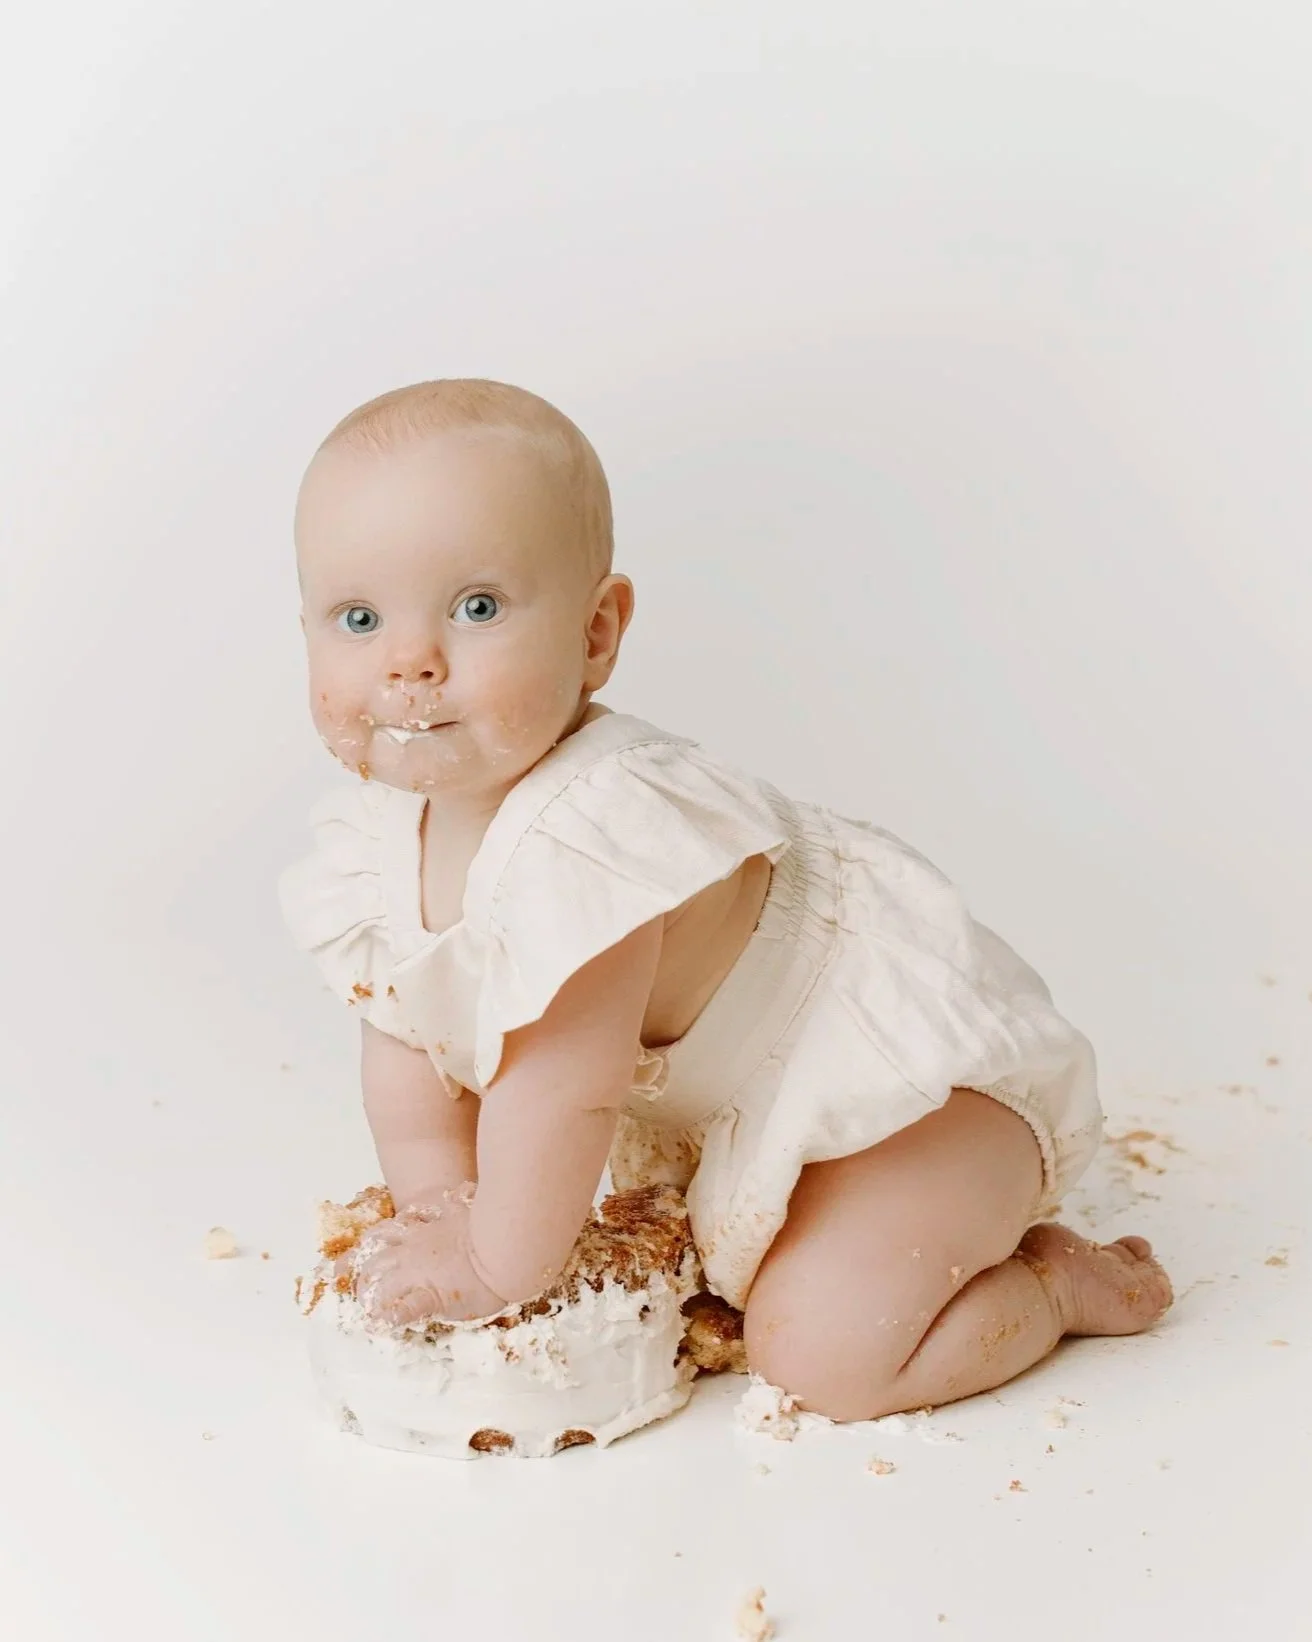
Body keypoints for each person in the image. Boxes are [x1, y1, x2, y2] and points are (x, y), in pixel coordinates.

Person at [279, 377, 1172, 1422]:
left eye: (475, 608)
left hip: (903, 1105)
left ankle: (1055, 1284)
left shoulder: (594, 835)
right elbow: (404, 1048)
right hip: (751, 1114)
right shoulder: (377, 839)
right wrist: (440, 1204)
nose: (410, 661)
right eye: (357, 617)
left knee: (822, 1355)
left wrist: (498, 1263)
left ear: (597, 631)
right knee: (747, 1286)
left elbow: (559, 1085)